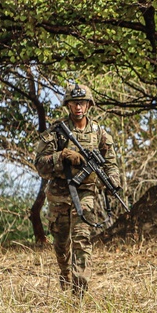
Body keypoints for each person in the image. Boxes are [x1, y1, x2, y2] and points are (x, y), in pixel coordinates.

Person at [34, 82, 123, 296]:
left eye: (82, 103)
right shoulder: (56, 133)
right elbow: (39, 164)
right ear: (68, 105)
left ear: (89, 105)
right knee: (61, 243)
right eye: (74, 103)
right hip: (59, 193)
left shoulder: (100, 133)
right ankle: (65, 274)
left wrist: (113, 181)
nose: (78, 107)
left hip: (85, 193)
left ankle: (79, 292)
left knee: (82, 239)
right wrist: (61, 156)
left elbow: (111, 163)